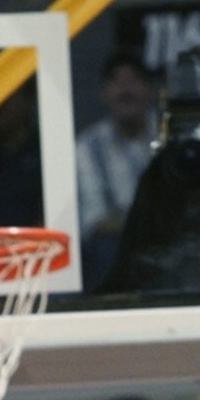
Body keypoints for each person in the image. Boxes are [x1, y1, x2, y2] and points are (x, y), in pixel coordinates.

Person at [72, 56, 158, 289]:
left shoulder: (169, 138)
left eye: (134, 81)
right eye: (117, 82)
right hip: (113, 248)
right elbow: (95, 221)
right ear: (104, 93)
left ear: (148, 90)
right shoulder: (88, 146)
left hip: (165, 242)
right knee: (106, 249)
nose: (126, 90)